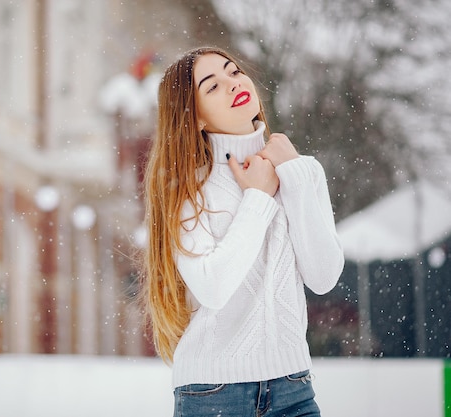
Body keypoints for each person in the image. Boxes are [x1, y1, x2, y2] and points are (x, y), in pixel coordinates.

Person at [141, 46, 345, 417]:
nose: (232, 83)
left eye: (233, 71)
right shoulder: (188, 191)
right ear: (194, 117)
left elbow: (324, 276)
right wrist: (257, 197)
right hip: (213, 394)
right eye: (212, 86)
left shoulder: (302, 171)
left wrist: (294, 177)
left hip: (294, 388)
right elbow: (213, 288)